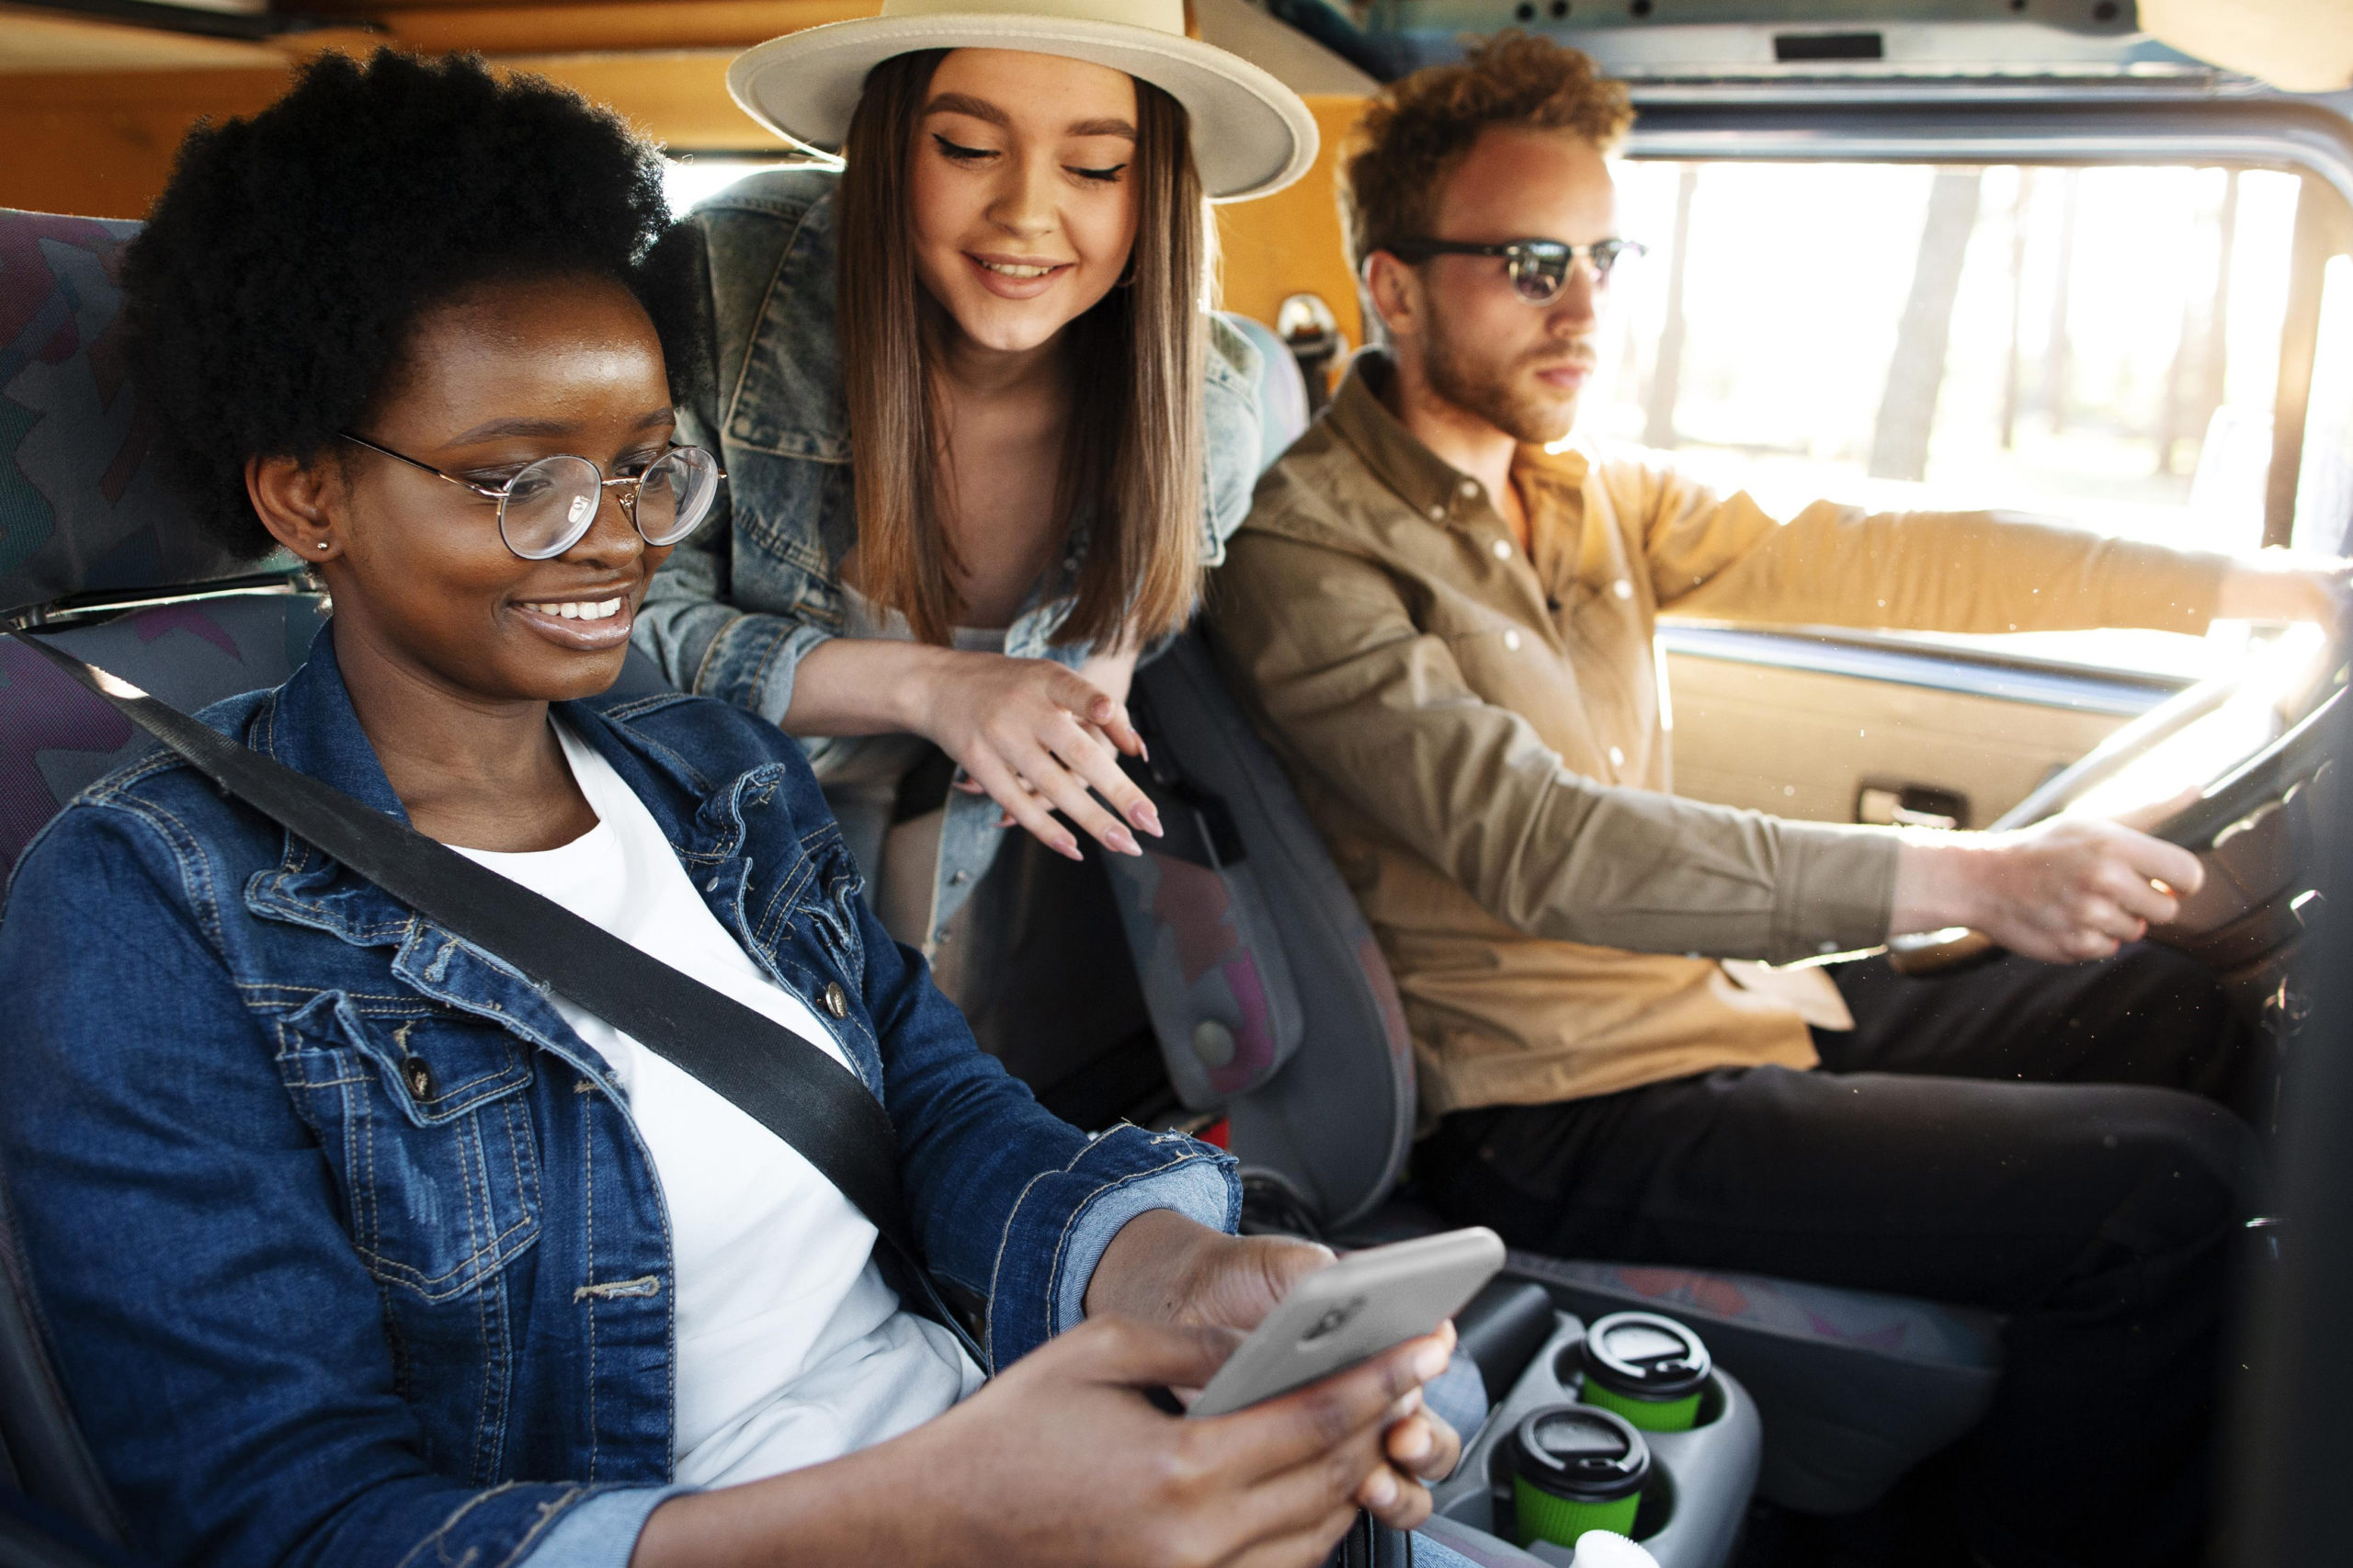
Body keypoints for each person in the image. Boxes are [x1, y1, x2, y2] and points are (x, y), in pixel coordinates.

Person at [0, 52, 1472, 1568]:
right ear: (306, 498)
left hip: (1028, 1463)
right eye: (521, 485)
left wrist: (1157, 1264)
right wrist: (936, 1518)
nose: (616, 548)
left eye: (647, 471)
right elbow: (295, 1525)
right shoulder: (149, 906)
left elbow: (941, 1113)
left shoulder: (714, 775)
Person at [1207, 32, 2349, 1568]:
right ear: (1395, 287)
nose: (1585, 304)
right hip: (1558, 1105)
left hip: (1716, 1003)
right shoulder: (1311, 548)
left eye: (1605, 254)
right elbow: (1541, 844)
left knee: (2173, 1011)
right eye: (1532, 259)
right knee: (2172, 1195)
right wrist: (1973, 878)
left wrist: (2258, 584)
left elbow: (1886, 548)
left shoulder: (1579, 490)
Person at [634, 0, 1314, 954]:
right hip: (683, 850)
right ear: (885, 148)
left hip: (961, 887)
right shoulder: (724, 282)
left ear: (1152, 191)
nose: (1027, 213)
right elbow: (612, 632)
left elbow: (1125, 636)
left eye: (1094, 167)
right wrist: (935, 687)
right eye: (965, 147)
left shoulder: (1215, 416)